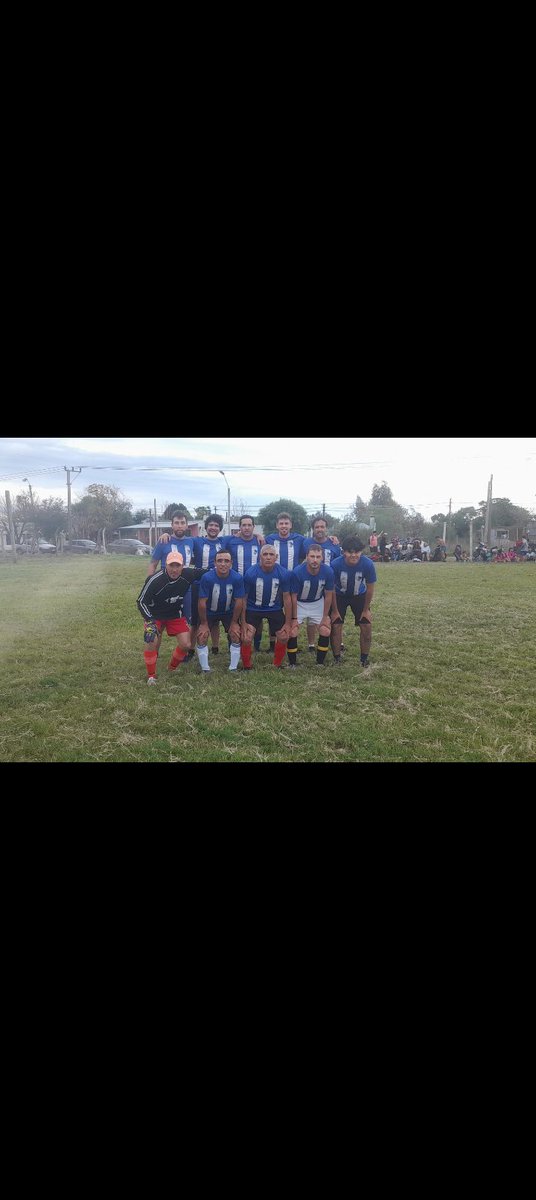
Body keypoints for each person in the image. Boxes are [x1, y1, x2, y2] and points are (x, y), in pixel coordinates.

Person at [136, 550, 208, 685]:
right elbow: (141, 601)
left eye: (178, 566)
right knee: (152, 640)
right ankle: (151, 675)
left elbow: (208, 572)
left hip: (174, 614)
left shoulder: (188, 574)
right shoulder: (155, 580)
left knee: (186, 644)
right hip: (155, 615)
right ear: (165, 566)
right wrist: (149, 620)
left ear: (183, 566)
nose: (174, 569)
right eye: (171, 565)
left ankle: (171, 668)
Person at [240, 545, 292, 670]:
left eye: (271, 555)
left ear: (276, 557)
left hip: (274, 609)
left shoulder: (283, 573)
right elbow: (243, 599)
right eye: (265, 554)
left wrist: (288, 623)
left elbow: (287, 598)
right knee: (246, 637)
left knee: (284, 636)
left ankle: (277, 664)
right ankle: (247, 666)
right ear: (260, 557)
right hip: (253, 609)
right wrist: (243, 622)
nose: (268, 557)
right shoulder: (251, 573)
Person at [263, 513, 307, 654]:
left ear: (290, 525)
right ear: (277, 525)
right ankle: (272, 643)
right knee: (274, 611)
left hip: (292, 581)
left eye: (286, 523)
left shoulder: (299, 539)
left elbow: (314, 545)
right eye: (281, 523)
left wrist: (331, 538)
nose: (283, 526)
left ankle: (291, 642)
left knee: (292, 611)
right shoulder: (269, 538)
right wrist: (258, 536)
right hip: (274, 580)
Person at [330, 536, 377, 667]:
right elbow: (331, 589)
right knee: (336, 624)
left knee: (366, 625)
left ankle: (364, 659)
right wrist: (334, 610)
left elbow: (370, 588)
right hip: (340, 596)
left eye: (357, 552)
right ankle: (337, 658)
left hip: (359, 595)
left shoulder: (367, 564)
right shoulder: (335, 564)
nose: (353, 555)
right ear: (343, 552)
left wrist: (366, 609)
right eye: (350, 552)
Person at [196, 550, 245, 673]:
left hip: (228, 612)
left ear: (231, 563)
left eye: (226, 561)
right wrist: (203, 623)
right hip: (209, 612)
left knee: (235, 634)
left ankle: (233, 667)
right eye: (220, 561)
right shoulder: (207, 578)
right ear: (214, 563)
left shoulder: (237, 578)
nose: (223, 564)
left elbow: (239, 601)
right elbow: (202, 602)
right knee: (202, 635)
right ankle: (205, 668)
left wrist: (234, 622)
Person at [149, 512, 198, 637]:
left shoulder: (191, 541)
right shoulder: (164, 541)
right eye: (177, 523)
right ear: (172, 525)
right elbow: (153, 564)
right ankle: (154, 652)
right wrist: (149, 586)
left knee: (188, 621)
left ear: (187, 526)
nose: (179, 526)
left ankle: (186, 651)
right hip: (166, 587)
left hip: (185, 587)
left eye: (182, 523)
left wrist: (255, 535)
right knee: (160, 623)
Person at [286, 545, 335, 668]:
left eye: (318, 557)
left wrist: (325, 616)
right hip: (299, 603)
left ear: (322, 558)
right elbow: (293, 596)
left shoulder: (328, 571)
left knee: (325, 629)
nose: (315, 560)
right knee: (292, 631)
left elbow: (329, 595)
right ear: (307, 557)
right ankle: (292, 663)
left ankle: (320, 663)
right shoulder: (297, 571)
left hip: (317, 602)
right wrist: (294, 618)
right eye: (312, 556)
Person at [302, 518, 342, 651]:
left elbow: (338, 563)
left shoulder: (333, 543)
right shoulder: (306, 542)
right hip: (312, 581)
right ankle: (311, 644)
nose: (320, 529)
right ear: (313, 529)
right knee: (312, 613)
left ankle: (338, 641)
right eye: (317, 527)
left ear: (326, 528)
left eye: (322, 527)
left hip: (330, 582)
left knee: (333, 613)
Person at [227, 515, 265, 650]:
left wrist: (258, 535)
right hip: (236, 584)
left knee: (256, 615)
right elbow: (214, 541)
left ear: (253, 527)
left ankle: (257, 645)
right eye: (244, 525)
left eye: (250, 525)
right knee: (234, 614)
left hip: (256, 585)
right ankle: (233, 642)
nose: (247, 527)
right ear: (239, 527)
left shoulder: (260, 542)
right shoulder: (231, 541)